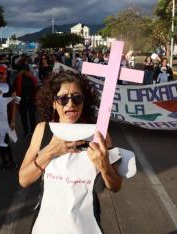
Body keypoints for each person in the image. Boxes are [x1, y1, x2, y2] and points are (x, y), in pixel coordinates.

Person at [19, 71, 122, 233]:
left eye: (76, 98)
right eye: (62, 98)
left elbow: (115, 186)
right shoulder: (43, 130)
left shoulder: (98, 135)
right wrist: (49, 153)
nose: (70, 104)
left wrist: (104, 166)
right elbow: (23, 179)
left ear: (84, 101)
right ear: (53, 102)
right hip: (47, 224)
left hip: (85, 225)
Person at [14, 65, 38, 136]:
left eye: (31, 71)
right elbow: (14, 89)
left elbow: (36, 88)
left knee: (32, 116)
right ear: (26, 71)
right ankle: (26, 130)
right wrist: (16, 101)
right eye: (30, 71)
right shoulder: (18, 79)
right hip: (22, 100)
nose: (31, 73)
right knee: (23, 117)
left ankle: (33, 130)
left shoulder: (33, 78)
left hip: (31, 100)